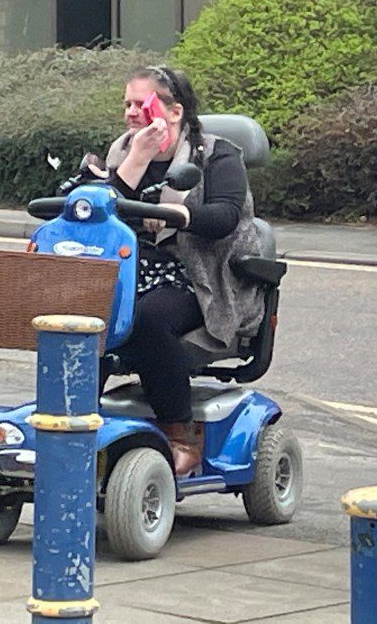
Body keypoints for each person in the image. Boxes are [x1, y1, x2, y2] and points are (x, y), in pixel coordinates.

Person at [101, 66, 264, 476]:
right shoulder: (122, 152)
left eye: (141, 103)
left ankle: (180, 434)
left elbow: (226, 216)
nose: (131, 113)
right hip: (132, 271)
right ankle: (75, 422)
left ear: (173, 112)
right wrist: (137, 159)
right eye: (127, 104)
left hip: (201, 276)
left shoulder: (217, 154)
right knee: (84, 315)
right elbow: (99, 210)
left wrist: (177, 214)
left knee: (146, 319)